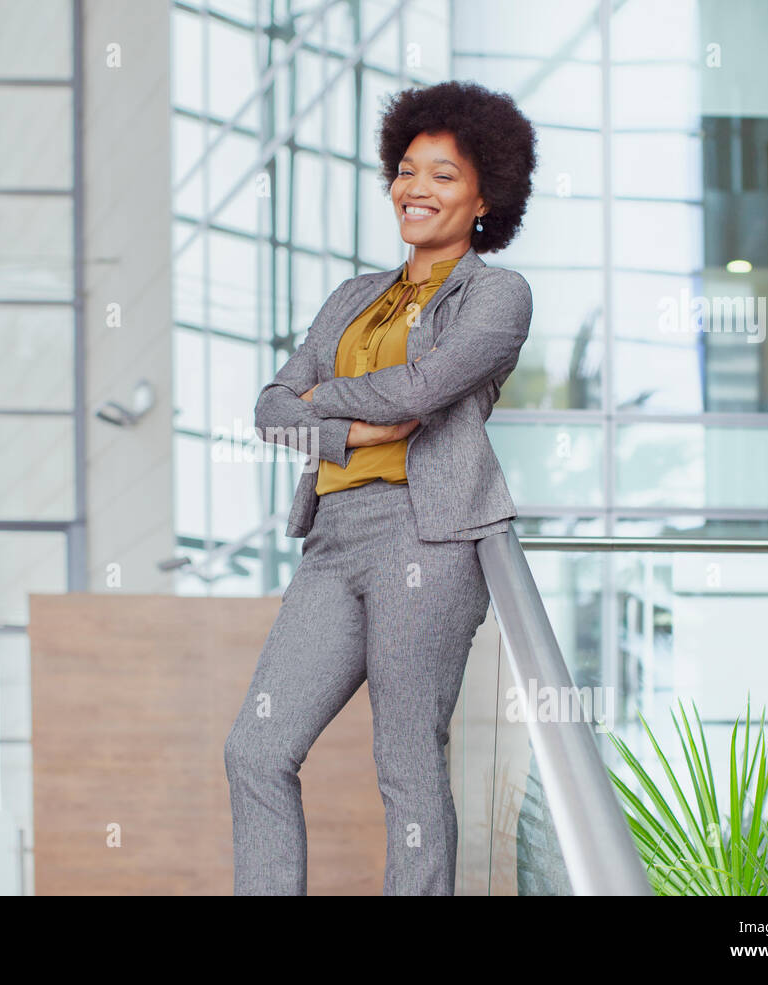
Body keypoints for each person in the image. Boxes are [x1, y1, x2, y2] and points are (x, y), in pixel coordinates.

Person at [223, 80, 538, 895]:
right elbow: (267, 410)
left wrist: (316, 402)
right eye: (405, 170)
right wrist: (353, 425)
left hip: (425, 534)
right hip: (332, 538)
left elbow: (415, 396)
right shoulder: (352, 298)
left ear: (483, 197)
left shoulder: (496, 295)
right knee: (255, 748)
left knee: (404, 758)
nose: (415, 189)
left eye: (442, 174)